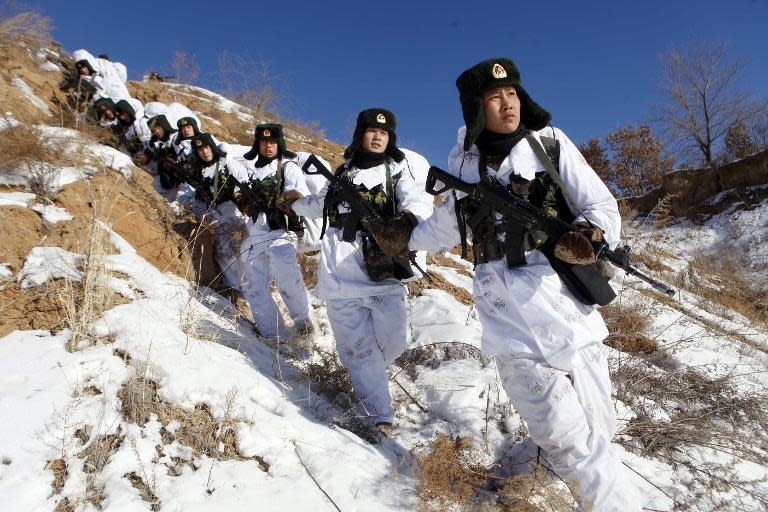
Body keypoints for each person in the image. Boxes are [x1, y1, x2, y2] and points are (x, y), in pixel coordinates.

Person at [373, 58, 641, 510]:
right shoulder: (465, 165)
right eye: (495, 97)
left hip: (568, 310)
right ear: (476, 109)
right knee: (572, 441)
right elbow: (447, 226)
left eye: (512, 93)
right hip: (508, 321)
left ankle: (503, 484)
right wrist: (405, 238)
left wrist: (590, 236)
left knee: (600, 428)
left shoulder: (550, 145)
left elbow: (601, 206)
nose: (507, 104)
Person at [284, 108, 433, 436]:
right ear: (360, 135)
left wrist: (404, 221)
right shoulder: (343, 173)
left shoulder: (397, 172)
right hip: (339, 277)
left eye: (385, 133)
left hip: (382, 275)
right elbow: (317, 204)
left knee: (394, 343)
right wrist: (293, 204)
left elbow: (420, 203)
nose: (378, 136)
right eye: (372, 131)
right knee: (357, 350)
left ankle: (369, 379)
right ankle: (379, 417)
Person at [233, 123, 312, 342]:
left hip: (282, 231)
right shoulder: (251, 170)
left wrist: (285, 200)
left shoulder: (288, 167)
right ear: (258, 143)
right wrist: (243, 200)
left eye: (273, 142)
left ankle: (302, 321)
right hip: (257, 233)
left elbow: (300, 194)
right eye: (264, 141)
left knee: (284, 270)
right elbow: (241, 198)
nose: (268, 146)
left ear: (280, 143)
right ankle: (274, 335)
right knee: (253, 285)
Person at [188, 132, 247, 292]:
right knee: (223, 256)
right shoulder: (199, 172)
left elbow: (243, 183)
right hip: (217, 222)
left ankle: (251, 289)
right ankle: (237, 291)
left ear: (212, 147)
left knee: (244, 255)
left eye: (206, 147)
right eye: (200, 150)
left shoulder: (227, 164)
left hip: (236, 217)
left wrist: (236, 194)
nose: (204, 152)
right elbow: (198, 200)